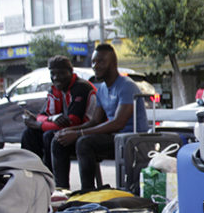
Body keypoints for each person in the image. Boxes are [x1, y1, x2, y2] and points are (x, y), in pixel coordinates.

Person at [51, 43, 147, 191]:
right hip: (114, 139)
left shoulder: (127, 86)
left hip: (131, 141)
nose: (95, 66)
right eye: (93, 62)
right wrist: (69, 131)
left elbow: (118, 123)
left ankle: (88, 191)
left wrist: (78, 134)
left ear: (113, 63)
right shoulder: (102, 89)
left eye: (100, 61)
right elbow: (95, 121)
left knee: (84, 142)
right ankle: (61, 191)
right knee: (58, 141)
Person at [20, 56, 97, 175]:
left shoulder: (81, 87)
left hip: (84, 131)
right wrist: (52, 118)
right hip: (65, 130)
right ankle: (31, 174)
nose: (56, 77)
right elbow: (41, 115)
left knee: (50, 136)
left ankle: (52, 179)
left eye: (61, 73)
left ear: (71, 72)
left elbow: (72, 122)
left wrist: (39, 125)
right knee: (29, 133)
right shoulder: (56, 88)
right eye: (53, 74)